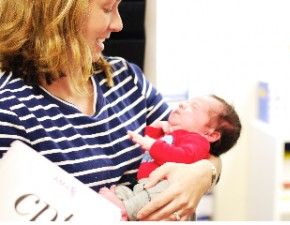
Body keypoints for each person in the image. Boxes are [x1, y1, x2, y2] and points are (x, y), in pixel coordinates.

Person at [0, 0, 222, 221]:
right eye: (107, 9)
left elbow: (207, 152)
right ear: (59, 14)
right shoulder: (9, 109)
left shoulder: (127, 78)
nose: (118, 24)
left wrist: (203, 174)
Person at [99, 94, 242, 221]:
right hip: (143, 186)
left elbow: (181, 157)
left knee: (160, 192)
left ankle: (125, 209)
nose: (182, 104)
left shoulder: (197, 141)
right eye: (187, 102)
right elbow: (147, 154)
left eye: (193, 107)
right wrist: (155, 128)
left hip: (163, 187)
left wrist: (153, 144)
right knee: (122, 190)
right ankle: (120, 204)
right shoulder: (171, 134)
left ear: (210, 134)